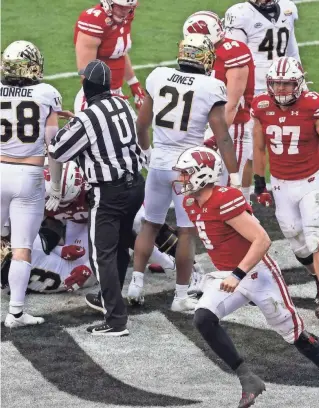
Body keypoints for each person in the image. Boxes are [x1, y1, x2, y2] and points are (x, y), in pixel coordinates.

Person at [174, 146, 319, 408]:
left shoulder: (225, 199)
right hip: (227, 274)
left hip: (257, 273)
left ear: (203, 174)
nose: (182, 179)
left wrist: (238, 273)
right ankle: (248, 378)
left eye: (187, 174)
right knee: (204, 318)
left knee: (294, 333)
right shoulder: (192, 203)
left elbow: (262, 239)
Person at [129, 33, 240, 311]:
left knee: (150, 225)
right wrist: (235, 174)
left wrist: (146, 152)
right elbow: (222, 136)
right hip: (188, 169)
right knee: (187, 232)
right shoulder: (211, 85)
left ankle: (135, 284)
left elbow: (142, 125)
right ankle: (180, 296)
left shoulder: (159, 76)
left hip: (159, 161)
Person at [49, 59, 146, 336]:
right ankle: (108, 298)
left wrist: (70, 128)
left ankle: (115, 320)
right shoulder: (121, 104)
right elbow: (105, 133)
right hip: (135, 185)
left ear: (85, 85)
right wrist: (77, 126)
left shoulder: (87, 118)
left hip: (109, 191)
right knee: (118, 247)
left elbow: (57, 150)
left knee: (100, 253)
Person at [252, 57, 319, 321]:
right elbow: (259, 148)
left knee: (315, 238)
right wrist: (260, 183)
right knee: (296, 241)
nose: (281, 89)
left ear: (299, 83)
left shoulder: (313, 105)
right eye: (277, 83)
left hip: (310, 182)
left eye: (287, 84)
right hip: (280, 183)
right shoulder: (261, 106)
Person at [224, 0, 319, 179]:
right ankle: (242, 196)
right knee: (248, 150)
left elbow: (292, 51)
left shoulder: (287, 9)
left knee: (299, 133)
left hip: (285, 85)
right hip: (254, 91)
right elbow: (234, 58)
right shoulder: (240, 14)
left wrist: (300, 84)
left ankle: (312, 175)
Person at [1, 40, 65, 328]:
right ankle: (15, 311)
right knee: (21, 247)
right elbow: (55, 146)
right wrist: (56, 185)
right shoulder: (46, 94)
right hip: (28, 175)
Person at [183, 11, 255, 202]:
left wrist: (213, 139)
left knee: (230, 193)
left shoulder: (234, 52)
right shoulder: (201, 52)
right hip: (204, 126)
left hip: (232, 130)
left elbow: (231, 105)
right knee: (204, 188)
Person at [73, 0, 145, 113]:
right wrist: (107, 99)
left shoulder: (126, 16)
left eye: (129, 7)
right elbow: (86, 72)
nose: (126, 11)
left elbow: (120, 52)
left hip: (116, 94)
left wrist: (134, 84)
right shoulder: (95, 20)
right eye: (121, 7)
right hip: (94, 97)